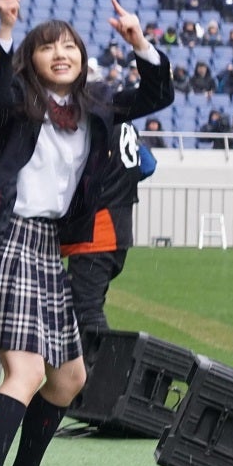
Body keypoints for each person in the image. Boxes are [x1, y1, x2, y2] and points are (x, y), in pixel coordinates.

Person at [0, 0, 171, 466]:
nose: (60, 53)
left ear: (83, 56)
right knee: (23, 371)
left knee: (67, 378)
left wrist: (140, 42)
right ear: (32, 59)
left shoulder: (96, 106)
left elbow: (157, 94)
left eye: (69, 45)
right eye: (47, 46)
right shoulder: (20, 105)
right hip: (8, 240)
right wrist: (5, 27)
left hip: (48, 244)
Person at [61, 122, 153, 367]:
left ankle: (112, 374)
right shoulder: (127, 124)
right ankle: (92, 377)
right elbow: (148, 165)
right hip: (118, 230)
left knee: (87, 311)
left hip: (97, 234)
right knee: (82, 308)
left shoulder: (94, 119)